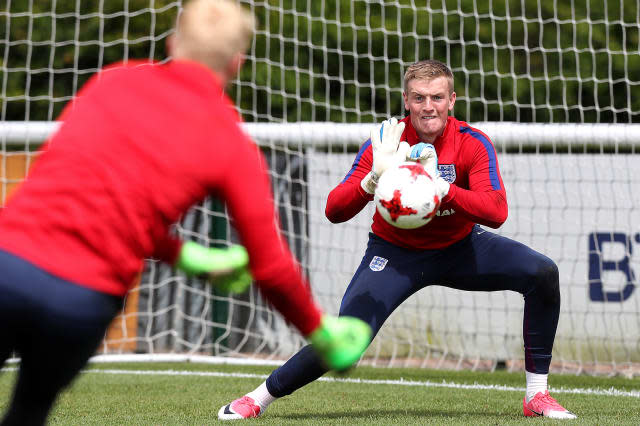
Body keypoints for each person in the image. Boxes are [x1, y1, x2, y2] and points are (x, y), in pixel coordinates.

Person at [0, 1, 371, 425]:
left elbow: (84, 198)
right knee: (26, 413)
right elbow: (271, 267)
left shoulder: (111, 82)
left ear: (173, 43)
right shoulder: (231, 143)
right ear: (237, 62)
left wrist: (184, 255)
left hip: (6, 265)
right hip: (81, 300)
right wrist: (322, 336)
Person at [218, 59, 577, 420]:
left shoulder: (472, 143)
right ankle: (257, 398)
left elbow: (497, 211)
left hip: (462, 248)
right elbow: (333, 209)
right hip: (395, 254)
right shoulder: (386, 143)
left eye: (437, 97)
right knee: (347, 338)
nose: (428, 107)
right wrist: (371, 181)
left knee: (542, 273)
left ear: (452, 100)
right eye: (419, 98)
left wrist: (442, 189)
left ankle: (536, 395)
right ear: (406, 100)